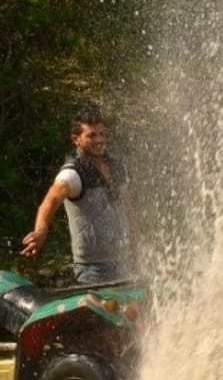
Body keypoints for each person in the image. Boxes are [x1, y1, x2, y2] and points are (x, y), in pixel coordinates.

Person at [21, 105, 137, 284]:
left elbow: (129, 211)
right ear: (76, 139)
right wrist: (41, 231)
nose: (99, 140)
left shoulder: (117, 168)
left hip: (124, 263)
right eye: (91, 135)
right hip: (93, 270)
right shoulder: (73, 174)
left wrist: (138, 247)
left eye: (102, 134)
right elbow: (49, 202)